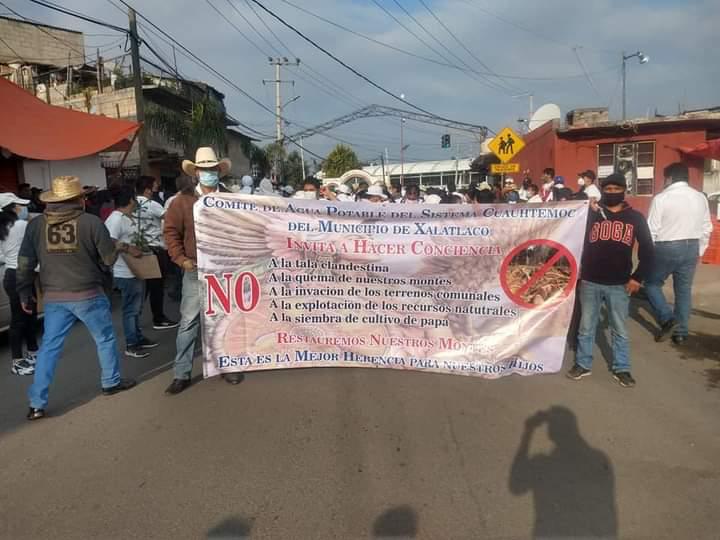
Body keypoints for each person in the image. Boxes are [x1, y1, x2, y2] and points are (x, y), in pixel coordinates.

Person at [18, 176, 136, 421]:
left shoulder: (36, 225)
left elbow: (25, 263)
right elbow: (107, 260)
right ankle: (110, 383)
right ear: (78, 200)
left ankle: (36, 404)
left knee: (49, 348)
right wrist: (119, 248)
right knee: (103, 339)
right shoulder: (92, 223)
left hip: (54, 298)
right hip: (89, 294)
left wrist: (24, 292)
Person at [164, 147, 243, 394]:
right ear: (196, 172)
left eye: (212, 169)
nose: (208, 173)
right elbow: (170, 233)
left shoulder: (231, 199)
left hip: (224, 270)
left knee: (225, 320)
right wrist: (181, 259)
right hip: (194, 270)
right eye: (204, 170)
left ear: (218, 171)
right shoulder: (182, 201)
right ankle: (182, 373)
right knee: (189, 322)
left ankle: (227, 365)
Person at [567, 173, 654, 388]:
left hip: (619, 282)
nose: (612, 193)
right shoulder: (592, 213)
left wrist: (637, 277)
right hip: (590, 280)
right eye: (608, 189)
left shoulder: (635, 218)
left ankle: (622, 367)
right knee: (586, 326)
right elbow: (567, 217)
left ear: (624, 190)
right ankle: (583, 363)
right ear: (602, 190)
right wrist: (586, 205)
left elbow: (648, 250)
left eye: (617, 189)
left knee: (620, 329)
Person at [645, 162, 714, 345]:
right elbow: (707, 227)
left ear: (669, 178)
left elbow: (651, 229)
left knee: (651, 284)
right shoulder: (700, 197)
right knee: (683, 290)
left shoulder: (662, 198)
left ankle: (668, 318)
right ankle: (681, 333)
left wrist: (648, 255)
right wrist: (700, 249)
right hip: (692, 246)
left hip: (666, 246)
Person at [105, 185, 159, 358]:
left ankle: (137, 337)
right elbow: (109, 241)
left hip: (135, 269)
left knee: (136, 308)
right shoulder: (116, 219)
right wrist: (129, 249)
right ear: (130, 200)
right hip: (124, 271)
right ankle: (131, 343)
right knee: (130, 309)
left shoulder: (128, 217)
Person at [0, 193, 38, 375]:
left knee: (28, 315)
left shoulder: (3, 228)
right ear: (11, 209)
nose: (22, 208)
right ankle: (17, 361)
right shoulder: (22, 225)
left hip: (12, 274)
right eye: (18, 205)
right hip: (20, 276)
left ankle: (33, 352)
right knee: (20, 319)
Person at [135, 176, 178, 331]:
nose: (156, 187)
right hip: (155, 249)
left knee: (142, 288)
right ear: (147, 188)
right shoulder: (152, 205)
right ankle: (158, 318)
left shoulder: (132, 204)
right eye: (154, 185)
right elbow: (170, 218)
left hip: (139, 248)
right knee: (157, 286)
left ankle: (135, 318)